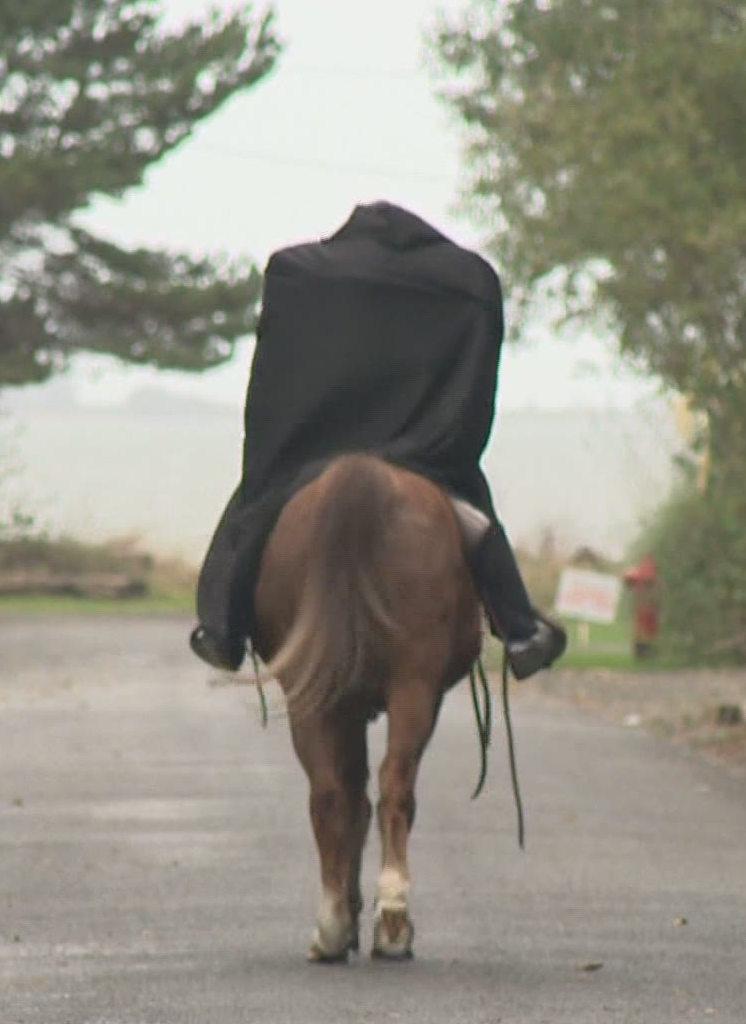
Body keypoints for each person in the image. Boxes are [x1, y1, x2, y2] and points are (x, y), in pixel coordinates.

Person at [189, 201, 566, 679]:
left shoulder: (299, 272)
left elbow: (277, 376)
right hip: (424, 451)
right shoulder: (462, 280)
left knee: (254, 507)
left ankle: (223, 628)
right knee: (476, 517)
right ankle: (519, 629)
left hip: (312, 451)